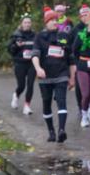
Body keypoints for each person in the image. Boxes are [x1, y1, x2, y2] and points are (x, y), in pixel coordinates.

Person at [31, 12, 76, 143]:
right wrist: (38, 68)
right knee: (46, 103)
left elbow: (71, 59)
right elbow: (34, 55)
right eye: (51, 20)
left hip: (61, 74)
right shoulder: (40, 37)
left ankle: (61, 130)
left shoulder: (64, 36)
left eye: (56, 20)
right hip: (45, 76)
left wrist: (72, 77)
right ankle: (51, 131)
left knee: (61, 101)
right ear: (46, 22)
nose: (54, 22)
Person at [72, 15, 90, 127]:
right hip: (82, 66)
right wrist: (77, 64)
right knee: (86, 94)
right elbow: (74, 50)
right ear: (88, 23)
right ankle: (84, 116)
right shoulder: (80, 35)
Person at [7, 14, 37, 115]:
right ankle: (16, 95)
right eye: (25, 22)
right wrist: (16, 45)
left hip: (31, 63)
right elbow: (10, 50)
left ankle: (27, 106)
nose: (27, 24)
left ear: (31, 24)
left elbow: (39, 48)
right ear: (21, 24)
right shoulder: (16, 35)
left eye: (29, 22)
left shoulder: (34, 35)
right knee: (21, 85)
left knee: (30, 85)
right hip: (20, 63)